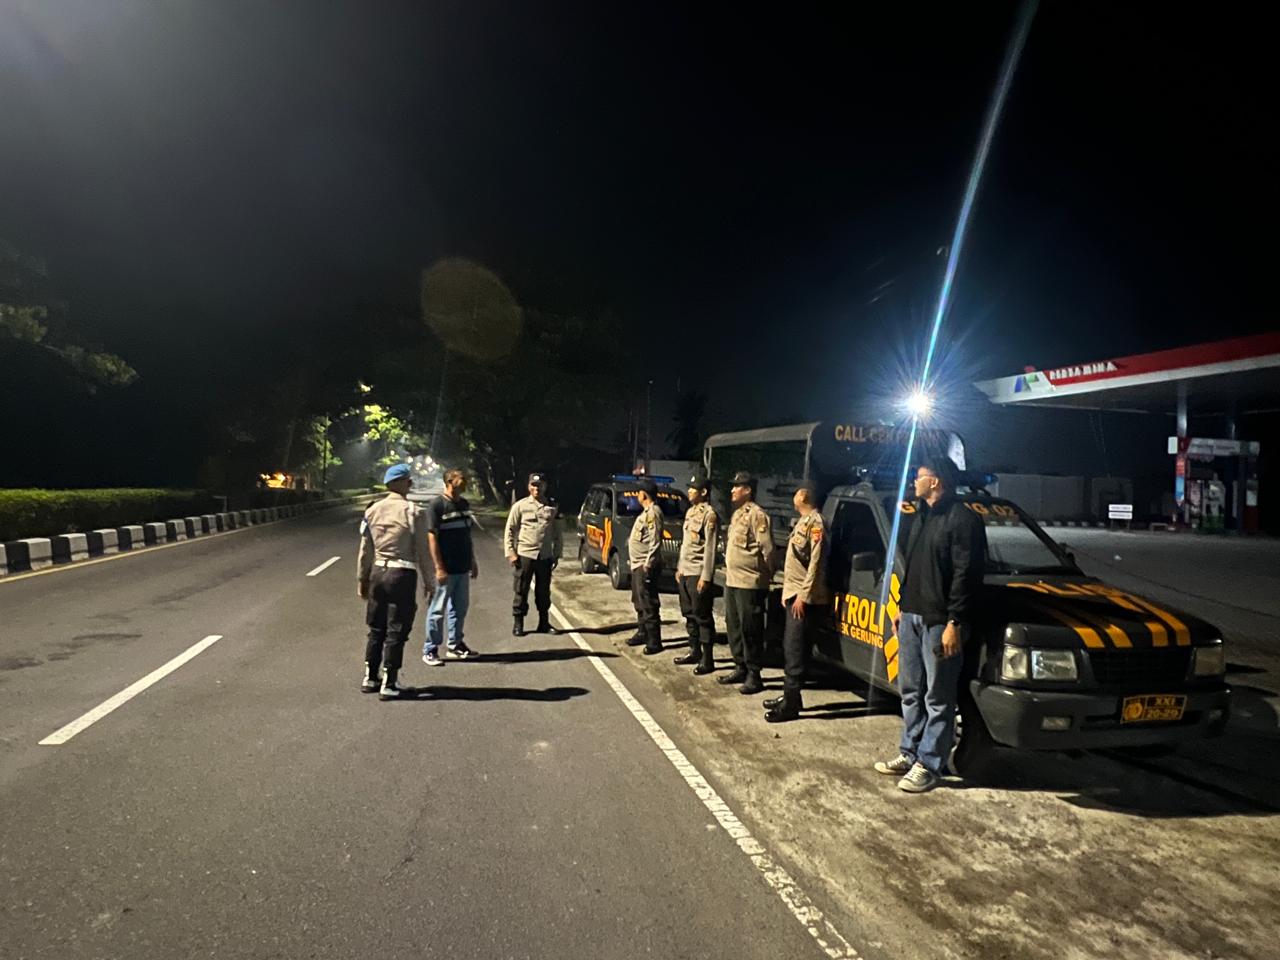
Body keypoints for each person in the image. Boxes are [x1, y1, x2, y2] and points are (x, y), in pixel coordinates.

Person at [874, 456, 987, 793]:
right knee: (910, 691)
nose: (915, 481)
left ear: (935, 481)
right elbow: (913, 567)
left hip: (940, 622)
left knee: (938, 696)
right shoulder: (923, 515)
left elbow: (966, 575)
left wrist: (955, 621)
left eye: (919, 476)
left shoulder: (963, 519)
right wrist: (902, 607)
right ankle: (909, 752)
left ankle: (930, 763)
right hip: (911, 616)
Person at [357, 463, 434, 700]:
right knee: (397, 629)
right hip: (402, 573)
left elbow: (365, 549)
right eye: (408, 481)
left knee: (376, 627)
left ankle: (370, 677)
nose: (410, 485)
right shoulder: (413, 512)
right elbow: (423, 550)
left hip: (378, 572)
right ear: (400, 483)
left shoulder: (372, 510)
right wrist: (429, 582)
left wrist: (362, 579)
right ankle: (390, 682)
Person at [764, 484, 831, 722]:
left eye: (798, 492)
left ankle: (790, 705)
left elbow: (816, 563)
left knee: (795, 649)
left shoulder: (816, 523)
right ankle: (790, 695)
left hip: (804, 598)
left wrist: (803, 595)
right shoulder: (803, 522)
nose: (795, 495)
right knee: (789, 646)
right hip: (794, 593)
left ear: (804, 497)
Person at [721, 470, 775, 695]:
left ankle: (754, 673)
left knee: (750, 628)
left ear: (748, 490)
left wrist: (766, 574)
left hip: (750, 582)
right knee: (733, 625)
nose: (732, 490)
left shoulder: (757, 515)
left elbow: (767, 549)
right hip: (733, 580)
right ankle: (740, 666)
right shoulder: (737, 515)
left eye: (737, 486)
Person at [421, 467, 479, 666]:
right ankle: (430, 649)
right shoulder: (437, 505)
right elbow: (432, 537)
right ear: (449, 482)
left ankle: (455, 644)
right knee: (437, 610)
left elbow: (467, 535)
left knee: (460, 608)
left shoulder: (463, 504)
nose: (464, 482)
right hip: (446, 567)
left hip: (462, 566)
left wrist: (472, 560)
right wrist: (439, 567)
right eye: (460, 479)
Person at [504, 472, 563, 636]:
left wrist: (557, 553)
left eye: (540, 485)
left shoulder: (552, 506)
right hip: (525, 555)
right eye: (534, 485)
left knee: (543, 592)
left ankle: (544, 623)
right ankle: (518, 623)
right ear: (529, 486)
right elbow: (510, 529)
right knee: (521, 590)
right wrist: (511, 552)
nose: (537, 488)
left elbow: (557, 533)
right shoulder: (520, 506)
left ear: (545, 486)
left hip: (545, 556)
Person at [674, 471, 717, 674]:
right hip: (686, 571)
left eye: (694, 489)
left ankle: (707, 659)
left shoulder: (709, 514)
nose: (690, 491)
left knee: (702, 616)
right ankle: (694, 650)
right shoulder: (690, 512)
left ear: (704, 492)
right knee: (689, 614)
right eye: (690, 488)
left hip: (698, 572)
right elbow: (686, 545)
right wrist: (680, 567)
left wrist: (705, 577)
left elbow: (710, 548)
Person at [625, 479, 666, 655]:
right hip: (637, 564)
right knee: (639, 600)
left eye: (638, 492)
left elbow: (655, 540)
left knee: (649, 603)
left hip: (645, 565)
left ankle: (654, 641)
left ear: (644, 495)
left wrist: (649, 563)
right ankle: (642, 632)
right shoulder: (645, 513)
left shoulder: (653, 513)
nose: (637, 495)